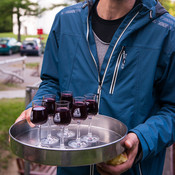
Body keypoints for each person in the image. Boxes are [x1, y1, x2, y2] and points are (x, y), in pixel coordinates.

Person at [16, 0, 175, 174]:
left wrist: (142, 139)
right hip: (71, 169)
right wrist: (38, 106)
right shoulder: (65, 21)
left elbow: (172, 109)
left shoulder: (167, 31)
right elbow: (51, 82)